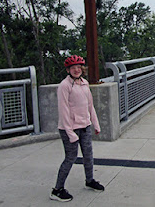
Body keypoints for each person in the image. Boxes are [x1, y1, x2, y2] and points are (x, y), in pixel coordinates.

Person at [50, 55, 104, 202]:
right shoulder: (64, 86)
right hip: (70, 129)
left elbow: (90, 105)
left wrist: (95, 124)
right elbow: (64, 110)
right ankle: (57, 190)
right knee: (70, 158)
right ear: (68, 70)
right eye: (73, 68)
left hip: (85, 126)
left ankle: (90, 180)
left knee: (88, 155)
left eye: (79, 67)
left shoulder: (84, 83)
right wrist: (69, 132)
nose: (76, 70)